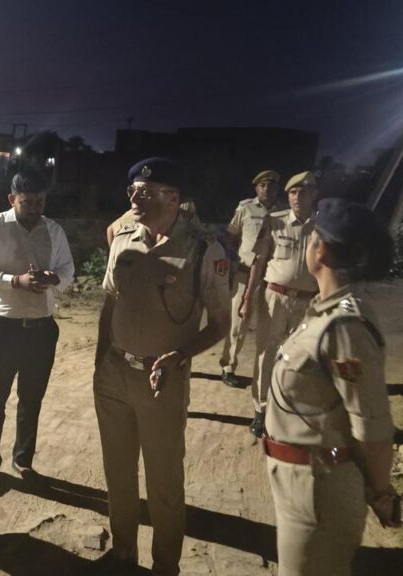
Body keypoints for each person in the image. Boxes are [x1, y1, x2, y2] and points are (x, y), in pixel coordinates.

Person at [93, 158, 231, 575]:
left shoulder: (203, 250)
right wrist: (101, 361)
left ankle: (165, 565)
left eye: (147, 192)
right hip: (114, 375)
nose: (136, 198)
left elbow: (221, 324)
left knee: (164, 484)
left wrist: (182, 355)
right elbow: (110, 303)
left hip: (162, 382)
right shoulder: (123, 239)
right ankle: (123, 554)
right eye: (133, 190)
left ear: (173, 198)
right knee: (118, 475)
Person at [264, 198, 400, 576]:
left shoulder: (345, 326)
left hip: (318, 489)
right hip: (299, 480)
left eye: (312, 240)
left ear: (320, 250)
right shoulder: (325, 310)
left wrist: (380, 494)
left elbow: (372, 426)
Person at [0, 171, 75, 493]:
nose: (34, 209)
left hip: (41, 329)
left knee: (31, 399)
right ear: (12, 199)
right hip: (3, 327)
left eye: (40, 202)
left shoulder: (53, 230)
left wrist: (52, 279)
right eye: (27, 202)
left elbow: (67, 271)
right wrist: (16, 281)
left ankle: (23, 461)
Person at [240, 171, 318, 438]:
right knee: (267, 354)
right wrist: (248, 298)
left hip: (308, 301)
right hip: (274, 298)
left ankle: (290, 408)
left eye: (303, 192)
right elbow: (258, 263)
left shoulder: (322, 228)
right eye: (293, 192)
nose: (297, 197)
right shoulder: (274, 222)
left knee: (301, 356)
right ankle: (261, 410)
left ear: (314, 195)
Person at [218, 170, 285, 389]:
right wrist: (234, 260)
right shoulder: (245, 209)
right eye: (262, 185)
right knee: (238, 324)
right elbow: (230, 236)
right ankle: (228, 367)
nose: (267, 189)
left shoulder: (283, 212)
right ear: (256, 188)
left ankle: (269, 370)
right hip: (245, 274)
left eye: (271, 186)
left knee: (272, 326)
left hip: (272, 277)